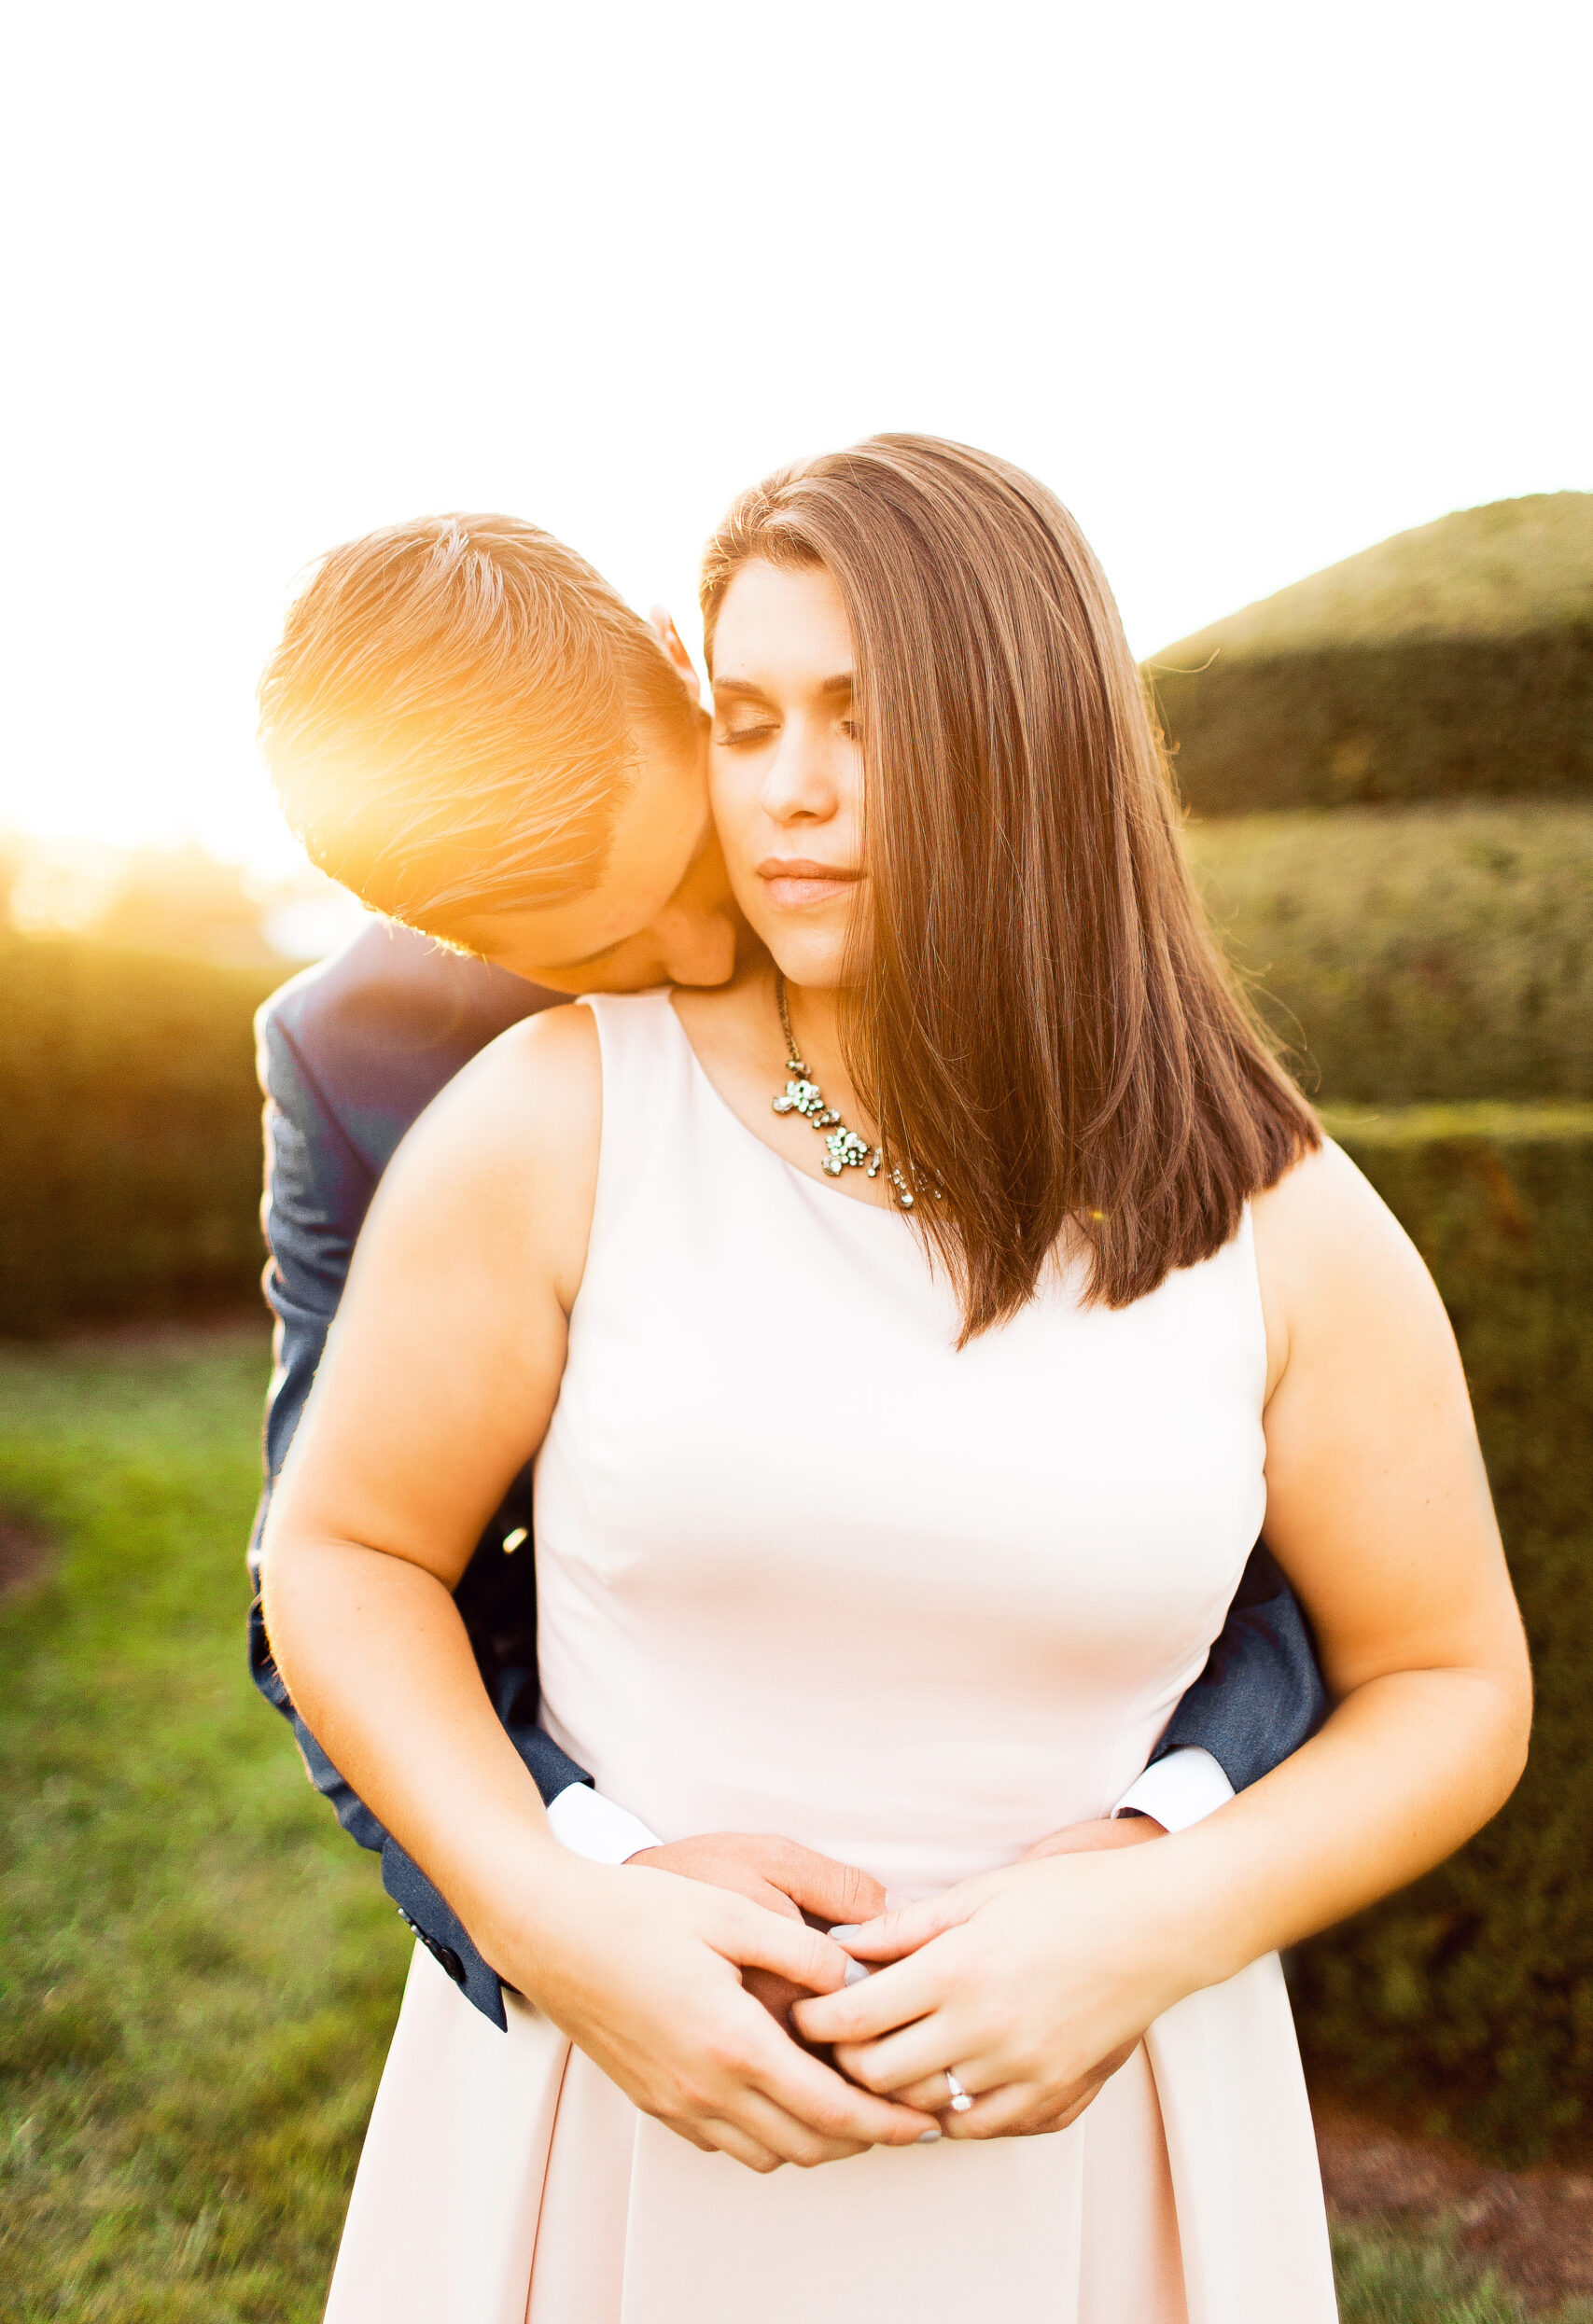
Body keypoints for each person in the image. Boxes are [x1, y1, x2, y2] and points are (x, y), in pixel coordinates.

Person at [259, 438, 1530, 2322]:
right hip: (619, 2088)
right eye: (758, 720)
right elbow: (338, 1559)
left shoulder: (1278, 1206)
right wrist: (564, 1904)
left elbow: (1417, 1658)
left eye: (851, 719)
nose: (746, 875)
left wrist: (1158, 1878)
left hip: (1090, 2119)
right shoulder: (476, 1097)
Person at [251, 511, 1323, 2025]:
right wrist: (570, 1885)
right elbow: (326, 1566)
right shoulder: (362, 1063)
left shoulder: (952, 893)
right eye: (600, 952)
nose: (703, 956)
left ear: (687, 679)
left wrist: (1167, 1842)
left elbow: (1270, 1510)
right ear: (445, 932)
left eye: (690, 863)